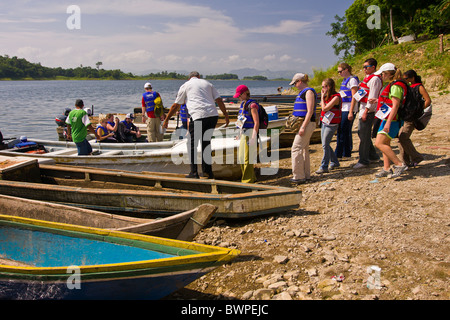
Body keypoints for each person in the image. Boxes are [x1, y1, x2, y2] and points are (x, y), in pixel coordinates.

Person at [163, 71, 230, 179]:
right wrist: (226, 115)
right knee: (206, 143)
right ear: (199, 77)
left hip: (198, 116)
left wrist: (166, 119)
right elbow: (219, 100)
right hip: (212, 116)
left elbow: (176, 106)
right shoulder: (208, 83)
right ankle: (208, 172)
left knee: (192, 144)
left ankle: (194, 173)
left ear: (189, 78)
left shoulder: (185, 85)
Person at [374, 63, 408, 178]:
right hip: (388, 119)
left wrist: (388, 122)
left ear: (388, 74)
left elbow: (395, 105)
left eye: (383, 74)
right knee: (385, 143)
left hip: (393, 120)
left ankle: (399, 164)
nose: (381, 76)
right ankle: (386, 168)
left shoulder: (395, 86)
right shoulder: (393, 85)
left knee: (379, 143)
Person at [351, 58, 382, 169]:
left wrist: (366, 111)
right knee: (362, 134)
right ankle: (373, 156)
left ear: (373, 67)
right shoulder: (368, 78)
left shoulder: (375, 80)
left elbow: (372, 97)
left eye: (366, 67)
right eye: (363, 67)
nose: (364, 69)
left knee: (364, 136)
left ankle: (363, 160)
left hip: (368, 111)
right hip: (363, 109)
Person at [398, 70, 431, 167]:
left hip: (412, 117)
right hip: (406, 115)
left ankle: (415, 157)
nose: (405, 80)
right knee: (401, 138)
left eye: (406, 78)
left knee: (403, 138)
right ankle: (405, 161)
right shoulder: (408, 87)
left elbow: (428, 100)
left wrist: (418, 111)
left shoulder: (419, 87)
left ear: (412, 78)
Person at [289, 73, 317, 184]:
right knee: (304, 149)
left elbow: (310, 111)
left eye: (295, 83)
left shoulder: (308, 92)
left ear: (300, 81)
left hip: (306, 124)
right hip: (305, 123)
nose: (295, 85)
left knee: (296, 148)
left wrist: (303, 127)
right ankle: (305, 174)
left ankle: (298, 176)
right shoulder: (304, 92)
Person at [233, 85, 260, 183]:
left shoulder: (252, 105)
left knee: (247, 159)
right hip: (243, 133)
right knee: (241, 157)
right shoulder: (242, 104)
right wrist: (239, 134)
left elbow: (256, 122)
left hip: (250, 133)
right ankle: (252, 178)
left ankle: (247, 181)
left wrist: (253, 136)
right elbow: (241, 120)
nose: (238, 98)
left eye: (239, 96)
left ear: (245, 93)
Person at [316, 78, 342, 174]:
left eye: (324, 87)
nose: (323, 89)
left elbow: (325, 108)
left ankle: (324, 166)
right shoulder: (329, 96)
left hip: (332, 124)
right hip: (325, 122)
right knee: (325, 143)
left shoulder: (336, 97)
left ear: (329, 87)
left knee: (325, 144)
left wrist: (322, 98)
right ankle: (335, 161)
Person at [336, 63, 359, 159]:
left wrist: (351, 111)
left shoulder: (352, 80)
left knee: (344, 130)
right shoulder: (344, 80)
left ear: (346, 70)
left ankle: (341, 153)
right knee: (342, 130)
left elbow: (354, 96)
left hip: (348, 108)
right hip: (343, 108)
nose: (339, 73)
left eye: (340, 71)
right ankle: (345, 152)